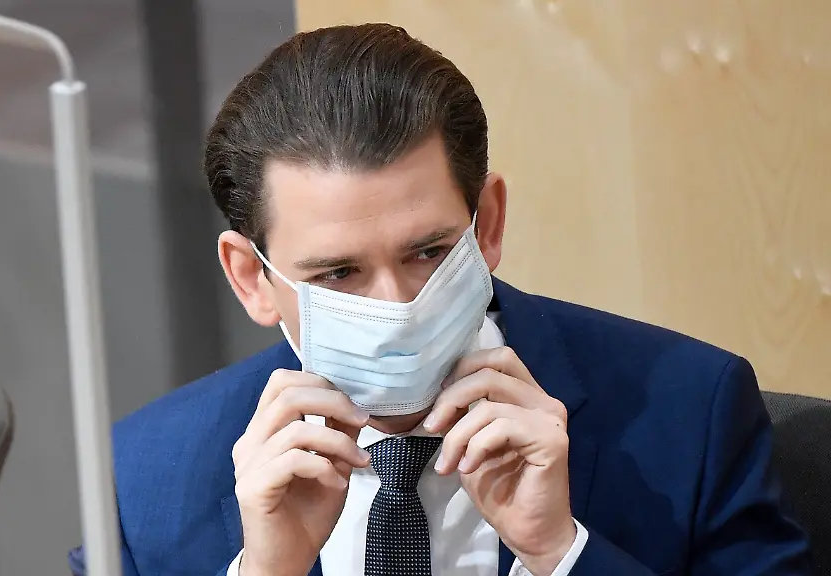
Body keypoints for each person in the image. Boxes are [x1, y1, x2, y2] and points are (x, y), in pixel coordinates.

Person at [69, 23, 810, 576]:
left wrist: (559, 552)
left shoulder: (692, 414)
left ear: (487, 225)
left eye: (427, 252)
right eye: (338, 274)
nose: (397, 306)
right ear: (251, 279)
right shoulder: (144, 480)